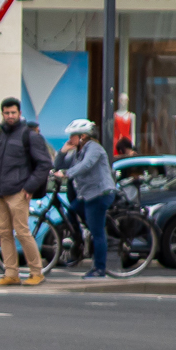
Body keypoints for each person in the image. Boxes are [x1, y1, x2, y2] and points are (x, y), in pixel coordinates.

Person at [0, 96, 53, 286]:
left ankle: (36, 272)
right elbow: (1, 160)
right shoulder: (1, 135)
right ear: (2, 114)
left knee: (22, 232)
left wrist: (29, 187)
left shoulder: (29, 135)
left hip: (18, 190)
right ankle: (11, 273)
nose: (10, 116)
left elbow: (45, 164)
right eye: (7, 113)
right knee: (4, 233)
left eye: (13, 113)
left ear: (19, 113)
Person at [59, 118, 115, 280]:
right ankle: (79, 241)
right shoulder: (77, 151)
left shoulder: (94, 149)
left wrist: (66, 174)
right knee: (72, 209)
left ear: (83, 136)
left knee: (97, 231)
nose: (70, 139)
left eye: (72, 136)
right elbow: (60, 165)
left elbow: (86, 165)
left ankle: (99, 269)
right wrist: (63, 152)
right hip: (87, 195)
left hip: (100, 194)